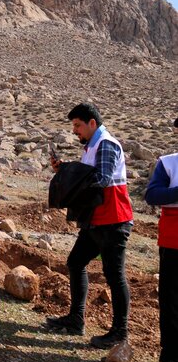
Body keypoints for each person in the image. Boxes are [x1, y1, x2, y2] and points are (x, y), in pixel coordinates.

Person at [45, 103, 133, 349]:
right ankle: (76, 319)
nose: (75, 131)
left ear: (92, 123)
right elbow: (90, 174)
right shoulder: (93, 146)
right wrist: (65, 169)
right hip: (97, 220)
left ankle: (120, 332)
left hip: (113, 220)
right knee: (75, 262)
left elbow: (101, 178)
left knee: (114, 275)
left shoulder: (106, 144)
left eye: (77, 125)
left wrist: (71, 172)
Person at [144, 118, 178, 362]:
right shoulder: (168, 162)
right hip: (173, 237)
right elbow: (152, 195)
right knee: (172, 299)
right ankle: (171, 356)